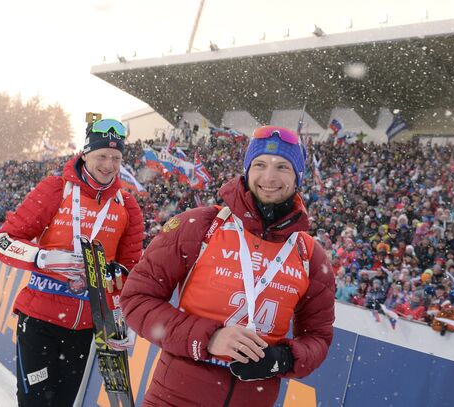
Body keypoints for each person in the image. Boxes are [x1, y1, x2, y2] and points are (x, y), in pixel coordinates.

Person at [120, 125, 335, 406]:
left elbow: (318, 337)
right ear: (247, 170)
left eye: (283, 167)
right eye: (260, 164)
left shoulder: (310, 255)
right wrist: (207, 339)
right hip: (175, 397)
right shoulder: (200, 226)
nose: (269, 177)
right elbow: (137, 299)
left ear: (298, 178)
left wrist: (282, 359)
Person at [0, 118, 144, 406]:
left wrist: (118, 277)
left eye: (116, 158)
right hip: (40, 320)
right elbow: (3, 240)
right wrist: (41, 257)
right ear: (85, 155)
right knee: (35, 402)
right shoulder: (56, 188)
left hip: (89, 326)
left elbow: (132, 270)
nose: (109, 165)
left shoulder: (127, 205)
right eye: (101, 156)